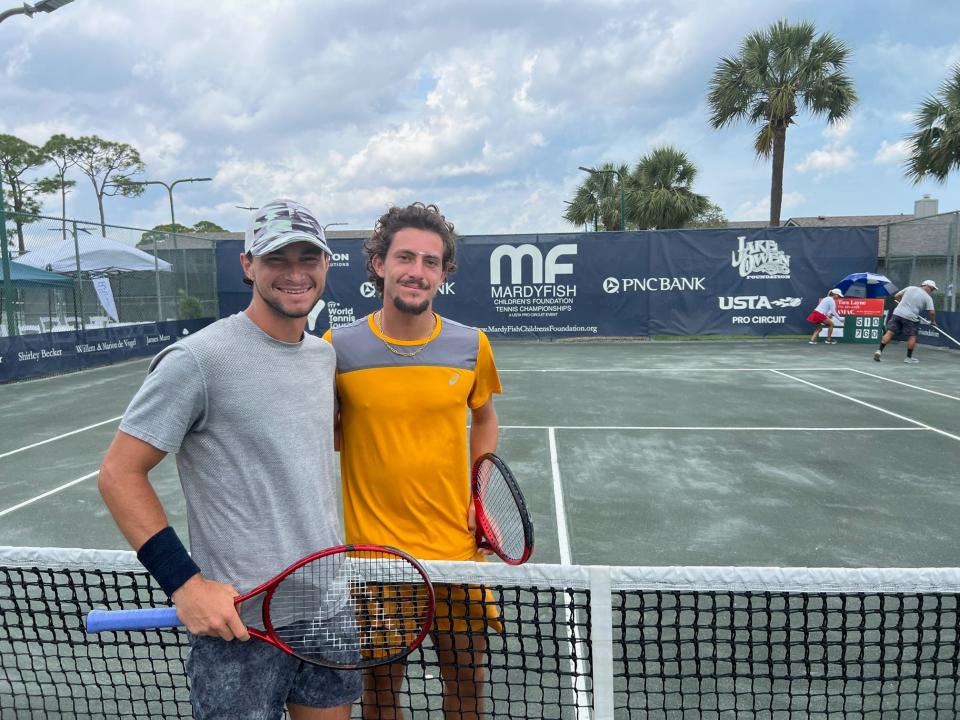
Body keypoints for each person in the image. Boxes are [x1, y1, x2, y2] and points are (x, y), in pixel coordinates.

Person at [98, 199, 360, 720]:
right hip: (241, 625)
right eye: (276, 259)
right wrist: (185, 583)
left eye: (309, 258)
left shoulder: (322, 356)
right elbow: (118, 474)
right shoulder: (198, 359)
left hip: (328, 610)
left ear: (326, 265)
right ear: (248, 265)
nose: (295, 273)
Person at [322, 202, 501, 720]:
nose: (416, 272)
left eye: (430, 261)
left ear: (444, 273)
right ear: (378, 263)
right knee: (379, 696)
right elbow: (325, 434)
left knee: (467, 684)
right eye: (405, 257)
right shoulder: (339, 347)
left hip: (456, 555)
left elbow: (485, 419)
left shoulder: (472, 346)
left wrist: (480, 491)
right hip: (375, 561)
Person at [874, 279, 938, 364]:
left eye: (933, 289)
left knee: (890, 332)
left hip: (897, 313)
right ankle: (908, 358)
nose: (932, 290)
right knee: (912, 336)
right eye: (932, 288)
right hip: (911, 317)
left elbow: (897, 296)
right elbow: (932, 312)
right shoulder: (927, 297)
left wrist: (902, 303)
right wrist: (933, 322)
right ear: (925, 286)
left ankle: (879, 351)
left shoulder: (910, 288)